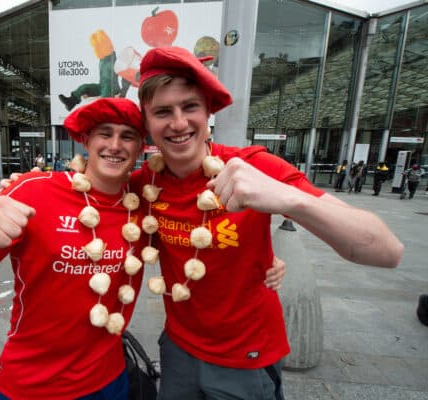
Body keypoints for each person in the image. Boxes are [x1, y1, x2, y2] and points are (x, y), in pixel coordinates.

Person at [130, 46, 402, 400]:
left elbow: (388, 251)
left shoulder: (253, 168)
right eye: (163, 111)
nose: (179, 123)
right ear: (147, 123)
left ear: (208, 111)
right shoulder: (144, 187)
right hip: (177, 349)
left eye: (190, 107)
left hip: (247, 357)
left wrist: (288, 199)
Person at [0, 98, 149, 399]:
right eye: (104, 133)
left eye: (128, 136)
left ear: (141, 147)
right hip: (30, 384)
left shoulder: (145, 206)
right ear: (86, 140)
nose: (115, 145)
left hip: (109, 380)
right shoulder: (33, 189)